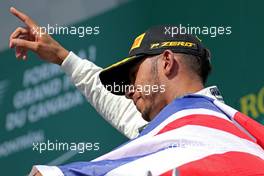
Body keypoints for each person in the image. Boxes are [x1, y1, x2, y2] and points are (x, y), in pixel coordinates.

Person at [9, 7, 264, 176]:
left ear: (166, 61)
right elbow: (130, 118)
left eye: (134, 76)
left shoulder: (193, 127)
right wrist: (63, 58)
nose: (129, 91)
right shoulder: (217, 127)